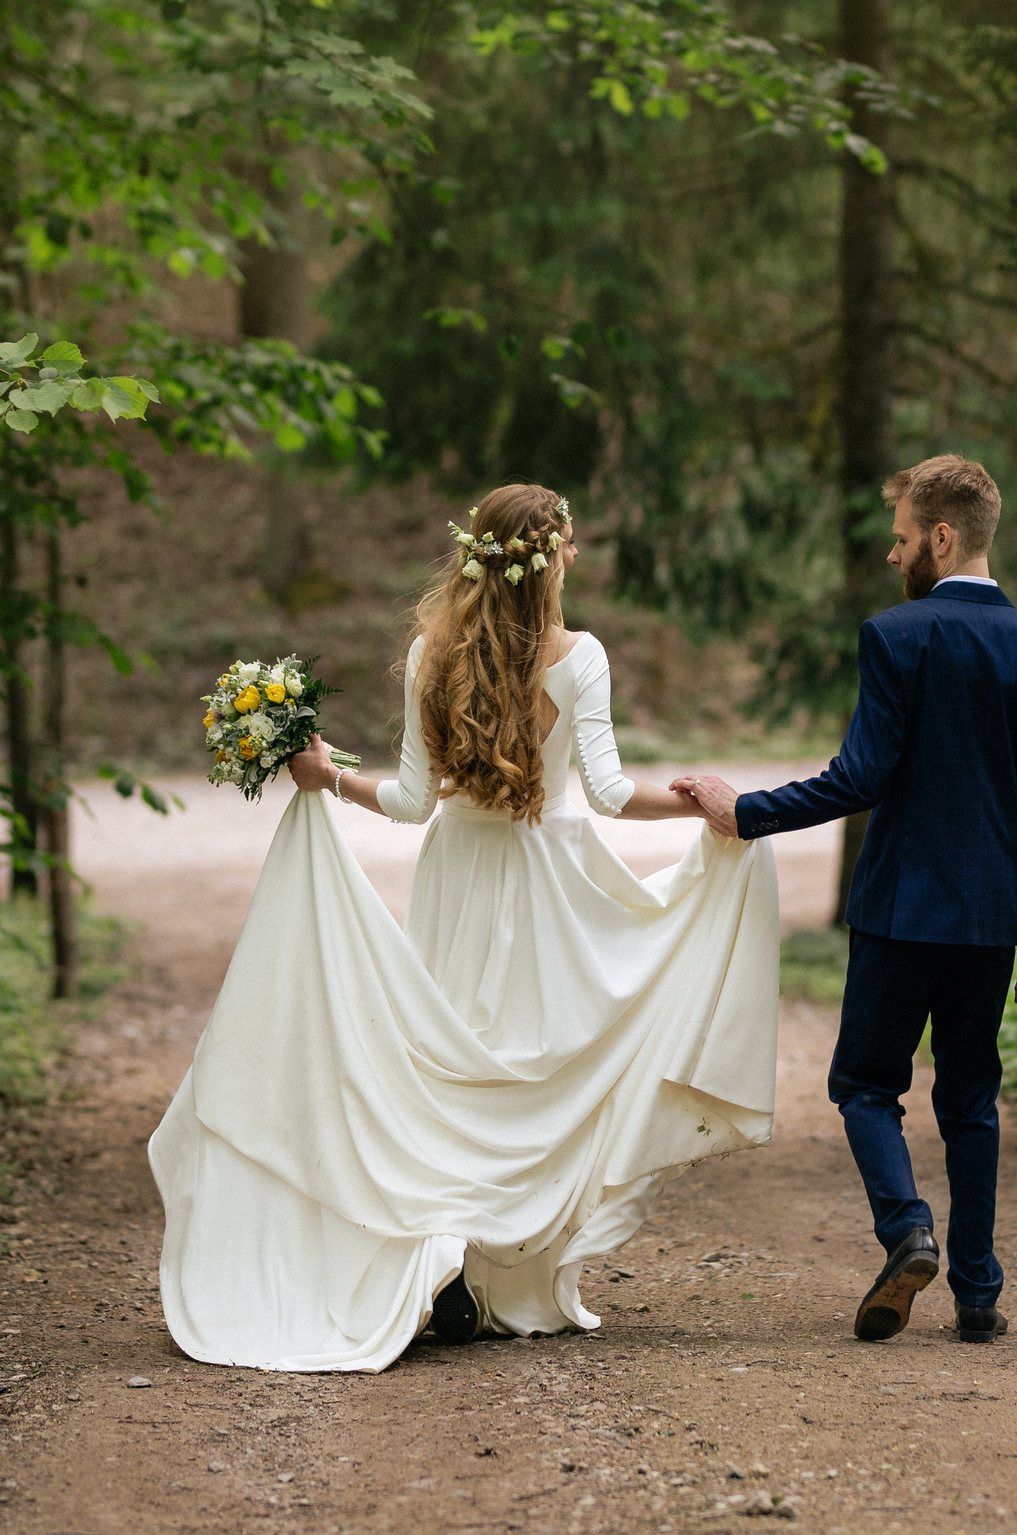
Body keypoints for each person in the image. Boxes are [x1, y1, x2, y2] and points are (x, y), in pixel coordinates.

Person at [148, 483, 784, 1373]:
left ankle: (444, 1261)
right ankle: (492, 1273)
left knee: (455, 1068)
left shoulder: (429, 654)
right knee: (534, 1069)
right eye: (566, 545)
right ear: (549, 557)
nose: (572, 558)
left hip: (458, 874)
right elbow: (604, 792)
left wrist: (327, 777)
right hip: (547, 882)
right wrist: (701, 804)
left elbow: (411, 802)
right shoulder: (579, 657)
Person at [672, 454, 1017, 1347]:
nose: (894, 557)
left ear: (942, 536)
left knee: (864, 1083)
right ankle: (978, 1294)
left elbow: (859, 776)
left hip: (898, 909)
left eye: (901, 538)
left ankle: (907, 1230)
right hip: (985, 920)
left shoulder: (897, 637)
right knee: (971, 1097)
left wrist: (745, 812)